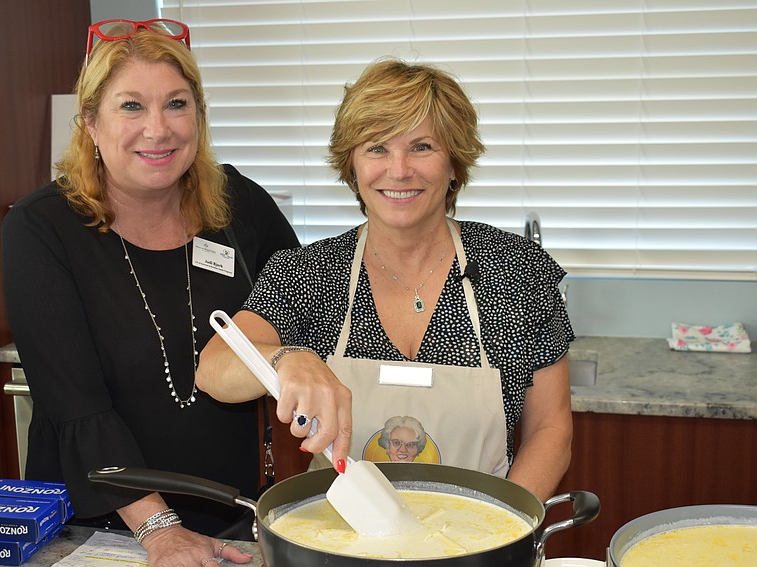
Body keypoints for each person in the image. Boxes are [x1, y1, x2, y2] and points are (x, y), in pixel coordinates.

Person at [197, 57, 573, 502]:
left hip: (482, 536)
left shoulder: (518, 271)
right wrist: (284, 359)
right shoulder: (309, 273)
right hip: (341, 539)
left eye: (422, 147)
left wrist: (499, 530)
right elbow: (213, 368)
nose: (398, 170)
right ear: (351, 165)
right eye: (377, 147)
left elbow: (551, 429)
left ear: (454, 162)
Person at [2, 19, 299, 567]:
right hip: (106, 529)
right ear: (91, 121)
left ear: (199, 116)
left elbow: (304, 310)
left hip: (238, 513)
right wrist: (160, 529)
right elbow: (74, 406)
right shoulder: (40, 228)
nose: (158, 129)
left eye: (177, 104)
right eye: (131, 106)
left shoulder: (241, 205)